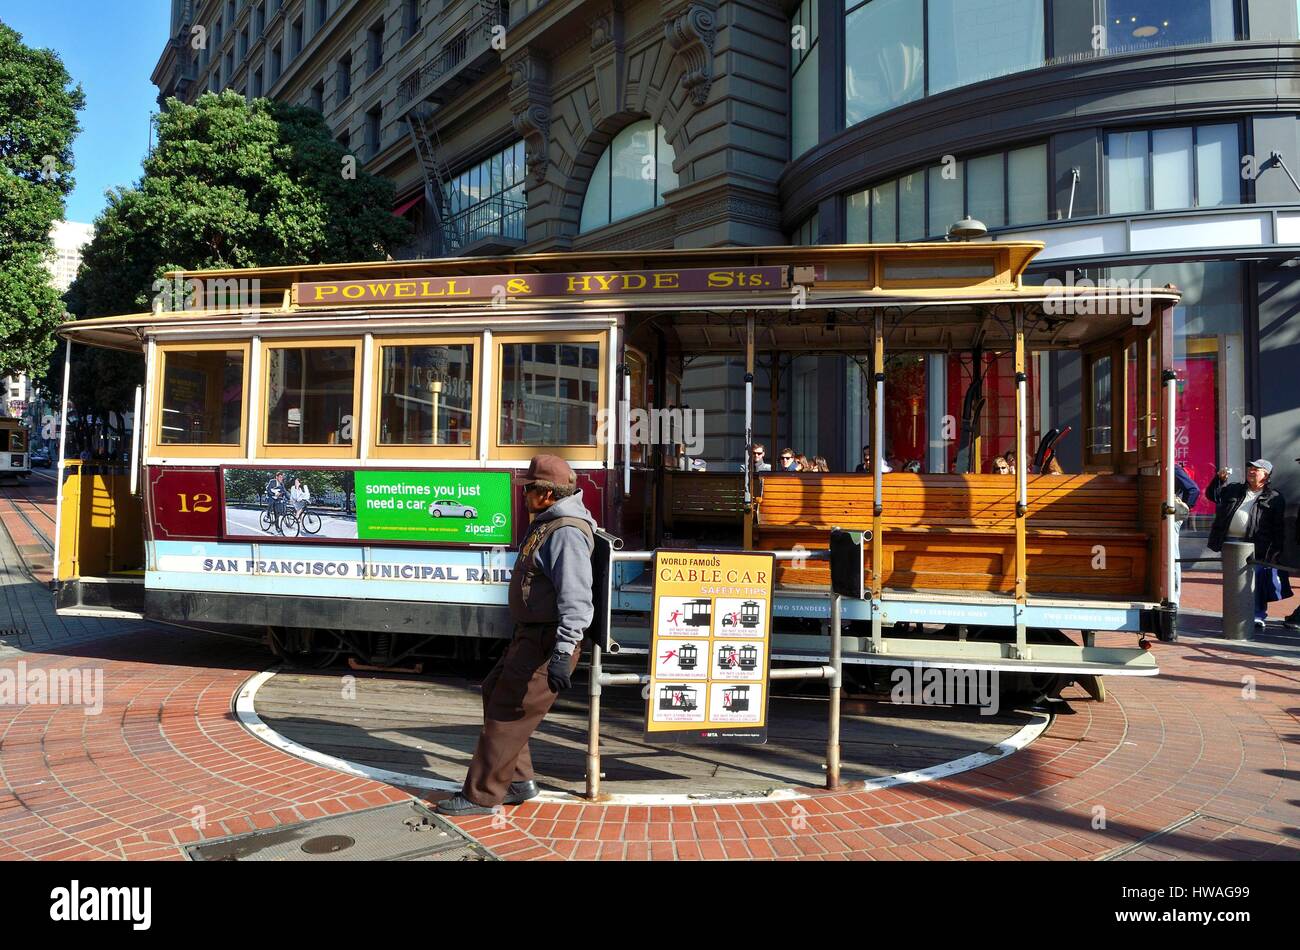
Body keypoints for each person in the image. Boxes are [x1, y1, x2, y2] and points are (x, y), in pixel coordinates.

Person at [437, 454, 596, 815]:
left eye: (529, 490)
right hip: (531, 636)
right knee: (497, 692)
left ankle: (481, 794)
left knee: (508, 713)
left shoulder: (566, 532)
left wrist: (562, 651)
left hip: (547, 641)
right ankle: (520, 781)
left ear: (546, 494)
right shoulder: (548, 522)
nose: (523, 496)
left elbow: (576, 597)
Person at [1206, 459, 1288, 626]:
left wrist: (1276, 550)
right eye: (1250, 468)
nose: (1251, 471)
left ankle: (1257, 614)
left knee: (1255, 581)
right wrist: (1219, 480)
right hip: (1230, 542)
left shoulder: (1275, 498)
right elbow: (1213, 495)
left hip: (1257, 545)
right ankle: (1232, 613)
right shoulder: (1234, 489)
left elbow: (1278, 526)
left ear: (1266, 474)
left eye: (1256, 469)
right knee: (1232, 581)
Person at [1170, 463, 1199, 606]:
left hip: (1172, 516)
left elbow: (1193, 490)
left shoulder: (1173, 467)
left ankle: (1174, 597)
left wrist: (1183, 509)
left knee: (1173, 555)